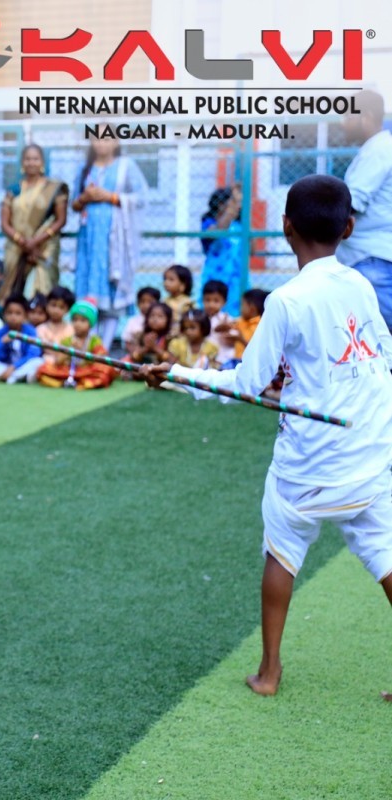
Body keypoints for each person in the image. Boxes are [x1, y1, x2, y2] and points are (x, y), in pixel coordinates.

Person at [141, 174, 392, 699]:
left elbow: (247, 384)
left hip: (310, 466)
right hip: (369, 455)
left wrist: (177, 374)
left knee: (282, 553)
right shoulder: (362, 285)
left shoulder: (286, 299)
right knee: (385, 555)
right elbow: (378, 360)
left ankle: (270, 673)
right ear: (348, 228)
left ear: (285, 228)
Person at [72, 128, 147, 346]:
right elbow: (75, 204)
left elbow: (141, 197)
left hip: (116, 238)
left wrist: (110, 197)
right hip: (89, 238)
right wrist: (86, 197)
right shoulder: (84, 169)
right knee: (89, 288)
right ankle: (88, 345)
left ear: (115, 142)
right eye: (97, 138)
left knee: (111, 285)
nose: (101, 143)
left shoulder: (126, 167)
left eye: (107, 138)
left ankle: (104, 347)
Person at [338, 90, 392, 333]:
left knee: (379, 339)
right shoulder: (377, 149)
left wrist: (312, 215)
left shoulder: (378, 150)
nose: (343, 123)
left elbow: (352, 203)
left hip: (371, 261)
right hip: (372, 260)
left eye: (349, 116)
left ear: (366, 116)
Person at [0, 144, 68, 304]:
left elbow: (61, 220)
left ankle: (43, 322)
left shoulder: (53, 189)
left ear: (42, 162)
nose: (32, 163)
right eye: (28, 159)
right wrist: (22, 241)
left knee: (44, 288)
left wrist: (35, 242)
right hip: (17, 246)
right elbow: (4, 223)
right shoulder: (14, 189)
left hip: (44, 246)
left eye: (35, 159)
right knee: (12, 289)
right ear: (22, 163)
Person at [37, 298, 115, 389]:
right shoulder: (67, 340)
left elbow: (101, 358)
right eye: (75, 320)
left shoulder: (94, 340)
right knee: (43, 369)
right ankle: (63, 383)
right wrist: (69, 350)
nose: (78, 324)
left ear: (90, 324)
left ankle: (83, 384)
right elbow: (58, 362)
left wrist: (82, 351)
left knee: (106, 370)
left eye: (82, 321)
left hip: (87, 371)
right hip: (68, 371)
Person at [200, 184, 249, 317]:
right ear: (221, 204)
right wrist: (231, 209)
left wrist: (247, 220)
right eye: (234, 202)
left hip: (237, 276)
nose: (238, 206)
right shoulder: (209, 222)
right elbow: (219, 232)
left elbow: (252, 249)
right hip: (216, 275)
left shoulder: (239, 226)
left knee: (236, 311)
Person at [0, 294, 43, 383]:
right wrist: (2, 342)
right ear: (4, 314)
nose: (13, 317)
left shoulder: (30, 332)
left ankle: (11, 377)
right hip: (4, 366)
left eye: (18, 313)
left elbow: (33, 354)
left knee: (38, 361)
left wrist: (14, 367)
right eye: (9, 313)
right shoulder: (0, 332)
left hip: (20, 366)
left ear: (25, 316)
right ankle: (16, 378)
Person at [125, 301, 173, 368]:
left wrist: (154, 348)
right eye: (152, 315)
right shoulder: (140, 335)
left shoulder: (170, 338)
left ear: (168, 320)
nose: (155, 319)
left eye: (160, 316)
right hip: (142, 367)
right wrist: (146, 348)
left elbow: (171, 360)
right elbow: (134, 357)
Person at [36, 285, 75, 366]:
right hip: (47, 361)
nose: (56, 310)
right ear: (47, 305)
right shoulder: (41, 329)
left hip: (66, 362)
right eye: (53, 305)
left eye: (61, 307)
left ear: (67, 310)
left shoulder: (71, 328)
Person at [121, 286, 161, 354]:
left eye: (150, 302)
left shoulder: (160, 321)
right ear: (137, 303)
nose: (146, 305)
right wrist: (135, 353)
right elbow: (127, 341)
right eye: (142, 302)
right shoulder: (133, 321)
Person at [201, 279, 234, 361]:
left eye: (216, 301)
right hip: (204, 356)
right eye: (207, 300)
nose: (211, 305)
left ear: (224, 302)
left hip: (222, 358)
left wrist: (226, 330)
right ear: (202, 300)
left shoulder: (227, 320)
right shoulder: (200, 318)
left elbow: (232, 341)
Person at [163, 264, 194, 333]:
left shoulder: (187, 302)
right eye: (165, 279)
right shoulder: (164, 300)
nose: (166, 283)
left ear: (183, 285)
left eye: (171, 280)